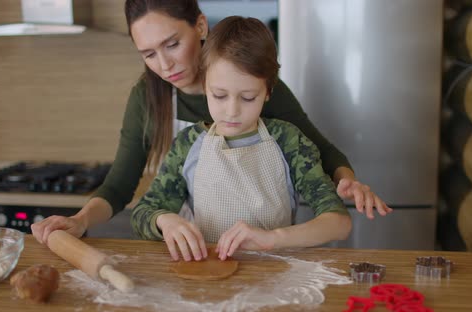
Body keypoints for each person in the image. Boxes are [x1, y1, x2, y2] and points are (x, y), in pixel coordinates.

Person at [31, 0, 391, 245]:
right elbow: (121, 187)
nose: (164, 64)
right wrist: (80, 221)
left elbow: (321, 152)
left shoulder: (261, 92)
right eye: (148, 54)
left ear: (199, 26)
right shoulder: (153, 104)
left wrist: (347, 182)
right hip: (202, 257)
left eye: (171, 44)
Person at [132, 15, 353, 262]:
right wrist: (165, 220)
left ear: (268, 92)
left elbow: (339, 223)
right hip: (207, 279)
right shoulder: (187, 144)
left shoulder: (288, 141)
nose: (232, 111)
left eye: (248, 97)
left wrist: (274, 238)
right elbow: (143, 212)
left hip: (274, 277)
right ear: (205, 86)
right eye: (219, 95)